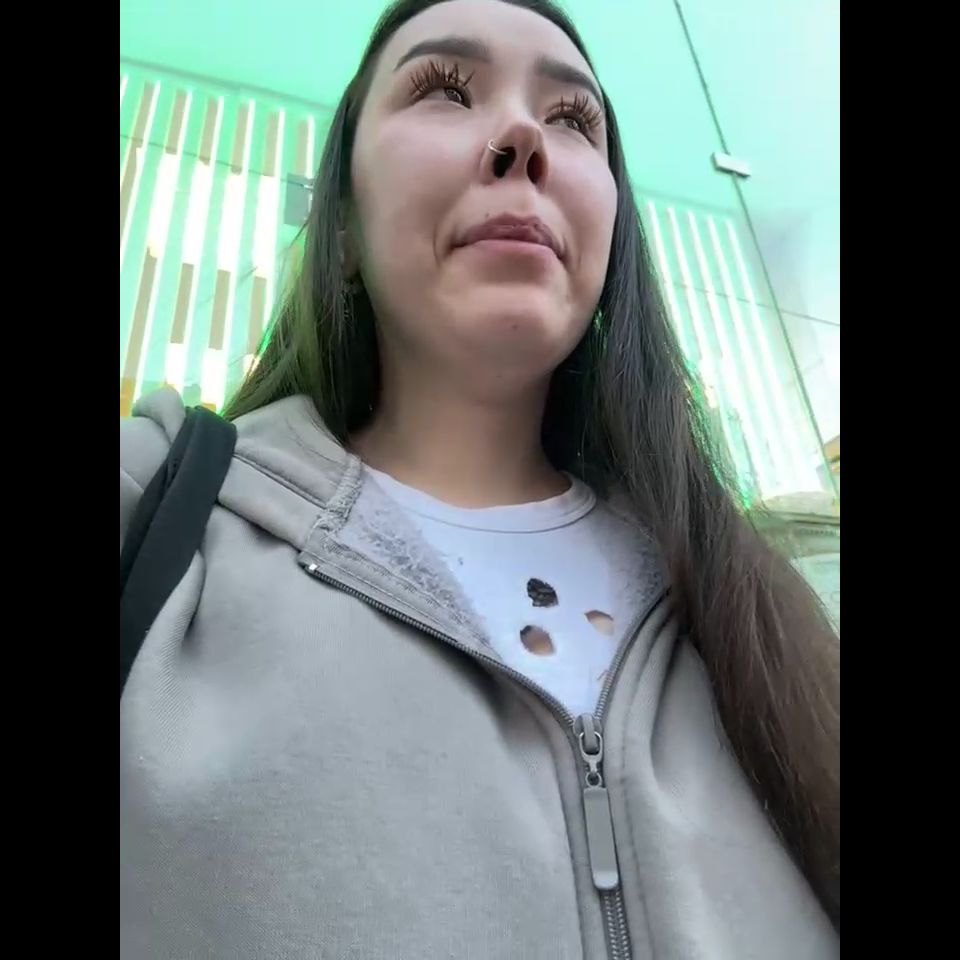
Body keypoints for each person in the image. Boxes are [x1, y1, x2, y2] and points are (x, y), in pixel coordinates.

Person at [119, 0, 840, 956]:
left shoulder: (754, 604)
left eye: (573, 119)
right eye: (444, 90)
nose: (522, 138)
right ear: (342, 225)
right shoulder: (161, 504)